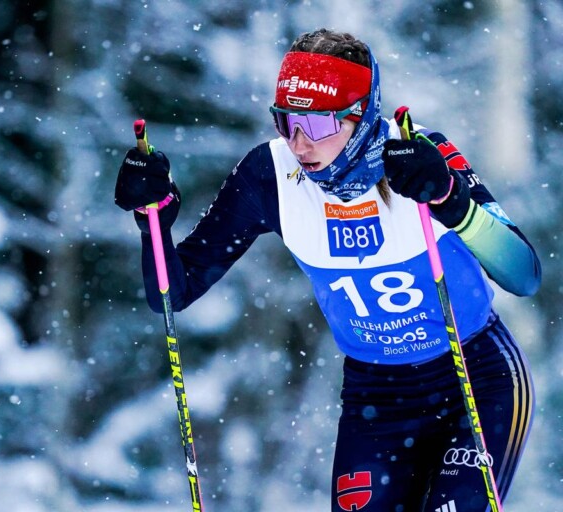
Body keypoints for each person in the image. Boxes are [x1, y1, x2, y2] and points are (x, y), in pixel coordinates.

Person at [114, 28, 541, 511]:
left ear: (360, 119)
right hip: (377, 394)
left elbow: (523, 274)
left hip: (474, 375)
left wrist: (450, 199)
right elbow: (172, 294)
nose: (299, 143)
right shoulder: (268, 176)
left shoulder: (417, 159)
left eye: (317, 125)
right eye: (286, 121)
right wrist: (153, 219)